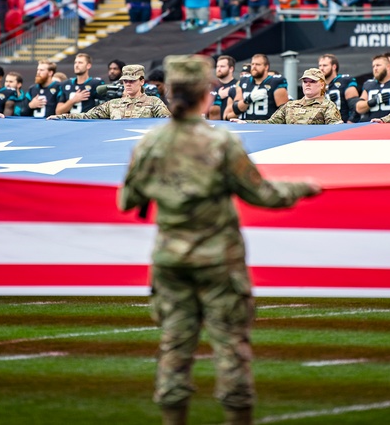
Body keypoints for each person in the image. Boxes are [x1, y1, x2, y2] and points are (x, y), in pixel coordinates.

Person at [119, 55, 320, 425]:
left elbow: (126, 200)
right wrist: (302, 188)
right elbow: (263, 195)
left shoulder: (150, 143)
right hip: (219, 262)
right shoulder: (221, 142)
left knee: (175, 348)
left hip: (171, 262)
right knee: (231, 347)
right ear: (205, 95)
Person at [49, 65, 170, 119]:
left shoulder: (154, 102)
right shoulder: (112, 104)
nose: (128, 84)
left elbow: (166, 121)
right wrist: (62, 117)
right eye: (125, 81)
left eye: (132, 81)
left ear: (142, 81)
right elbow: (86, 116)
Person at [231, 68, 342, 125]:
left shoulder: (328, 106)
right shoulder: (290, 105)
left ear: (322, 84)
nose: (307, 84)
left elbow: (335, 132)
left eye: (312, 81)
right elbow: (270, 123)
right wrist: (246, 123)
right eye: (305, 81)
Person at [226, 54, 288, 121]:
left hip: (267, 125)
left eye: (258, 64)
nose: (254, 67)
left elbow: (283, 112)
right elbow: (236, 107)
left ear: (266, 67)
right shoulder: (244, 80)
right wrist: (248, 100)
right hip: (246, 123)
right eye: (252, 64)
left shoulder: (275, 82)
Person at [319, 54, 359, 123]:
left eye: (325, 65)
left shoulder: (345, 81)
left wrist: (350, 122)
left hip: (342, 125)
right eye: (320, 65)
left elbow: (355, 106)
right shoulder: (317, 84)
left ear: (334, 67)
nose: (321, 68)